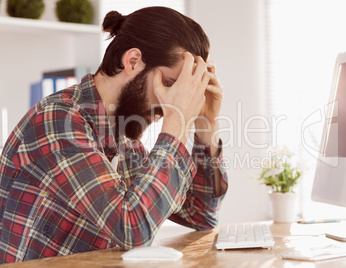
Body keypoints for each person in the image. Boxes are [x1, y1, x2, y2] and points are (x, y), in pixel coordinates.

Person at [0, 6, 227, 263]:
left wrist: (206, 123)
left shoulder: (125, 139)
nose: (176, 102)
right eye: (173, 85)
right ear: (132, 61)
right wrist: (177, 123)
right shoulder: (59, 119)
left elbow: (201, 216)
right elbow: (133, 230)